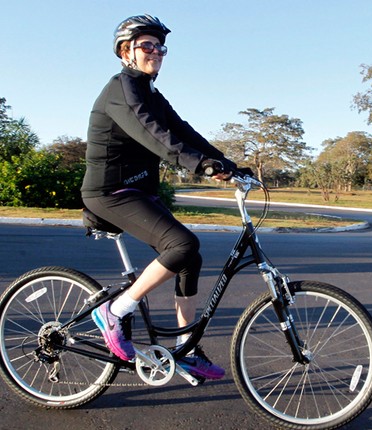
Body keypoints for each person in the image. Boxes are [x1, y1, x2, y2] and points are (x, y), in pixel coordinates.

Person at [81, 14, 236, 380]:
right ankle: (114, 312)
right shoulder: (121, 90)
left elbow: (183, 131)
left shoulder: (150, 92)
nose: (156, 52)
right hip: (109, 191)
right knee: (182, 244)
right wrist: (202, 167)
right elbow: (156, 136)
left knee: (189, 258)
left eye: (160, 47)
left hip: (137, 190)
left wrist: (232, 165)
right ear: (125, 53)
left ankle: (184, 349)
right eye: (146, 46)